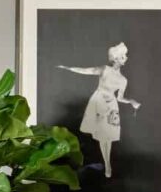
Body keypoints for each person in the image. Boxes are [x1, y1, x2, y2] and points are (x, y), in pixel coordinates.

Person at [57, 42, 140, 178]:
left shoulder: (123, 80)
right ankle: (107, 164)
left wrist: (131, 101)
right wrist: (68, 68)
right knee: (103, 135)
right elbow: (86, 70)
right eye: (123, 55)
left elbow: (120, 98)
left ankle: (107, 164)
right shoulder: (104, 69)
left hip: (112, 105)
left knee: (109, 135)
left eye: (125, 55)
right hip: (99, 101)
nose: (126, 58)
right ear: (116, 58)